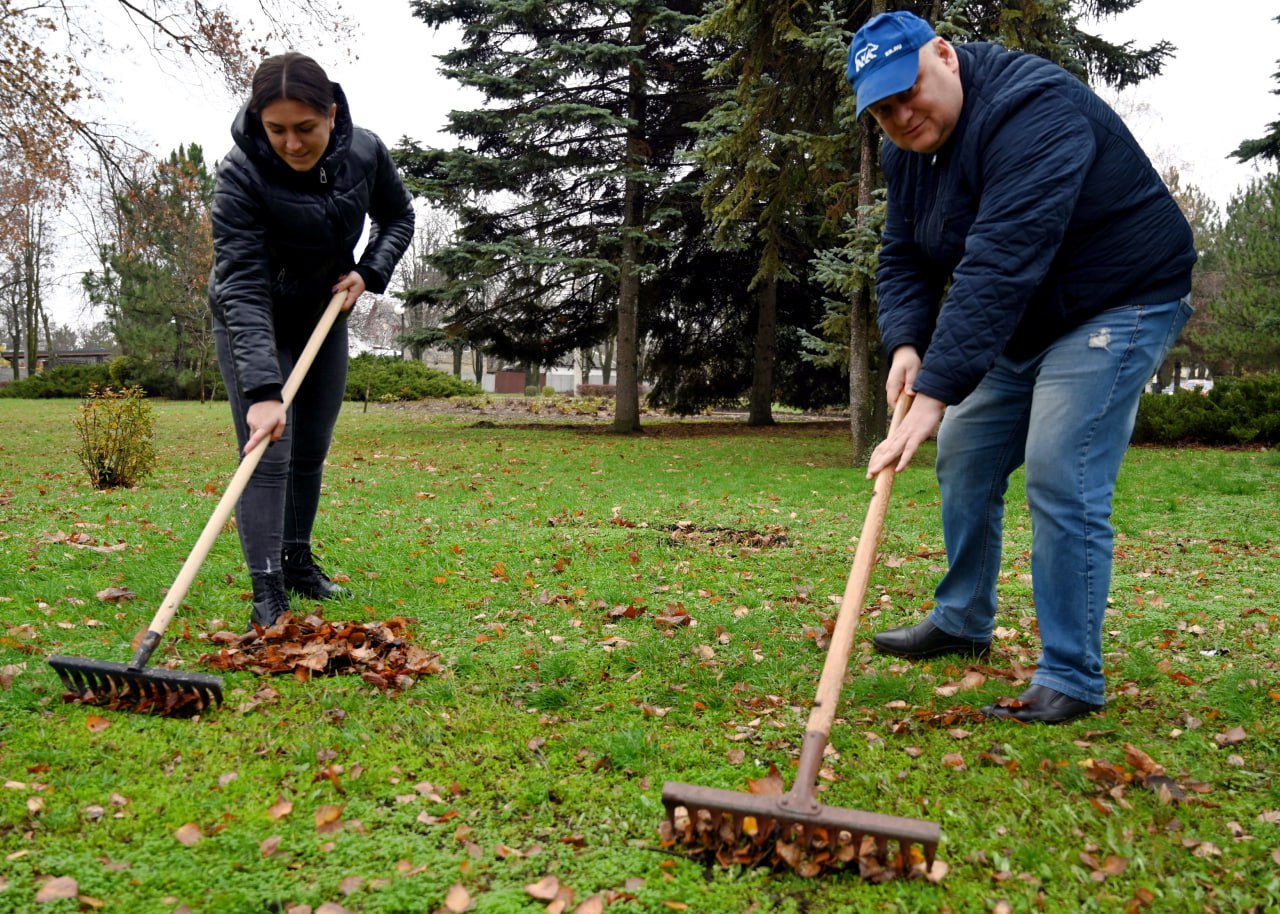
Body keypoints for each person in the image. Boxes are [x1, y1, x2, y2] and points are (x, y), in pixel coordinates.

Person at [847, 12, 1196, 723]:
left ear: (945, 55)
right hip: (1027, 314)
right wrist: (907, 343)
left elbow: (1001, 260)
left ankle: (1070, 674)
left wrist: (935, 391)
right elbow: (905, 253)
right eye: (882, 110)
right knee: (966, 454)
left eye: (909, 92)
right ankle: (962, 619)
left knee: (1061, 468)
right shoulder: (907, 152)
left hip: (1119, 298)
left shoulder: (1033, 110)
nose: (901, 116)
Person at [210, 52, 415, 629]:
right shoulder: (240, 175)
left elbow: (398, 216)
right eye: (276, 130)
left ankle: (298, 563)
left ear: (332, 114)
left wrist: (368, 272)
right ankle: (267, 590)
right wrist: (263, 391)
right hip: (253, 317)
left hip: (322, 315)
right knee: (268, 450)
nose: (292, 144)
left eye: (305, 128)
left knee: (310, 448)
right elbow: (242, 284)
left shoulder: (365, 152)